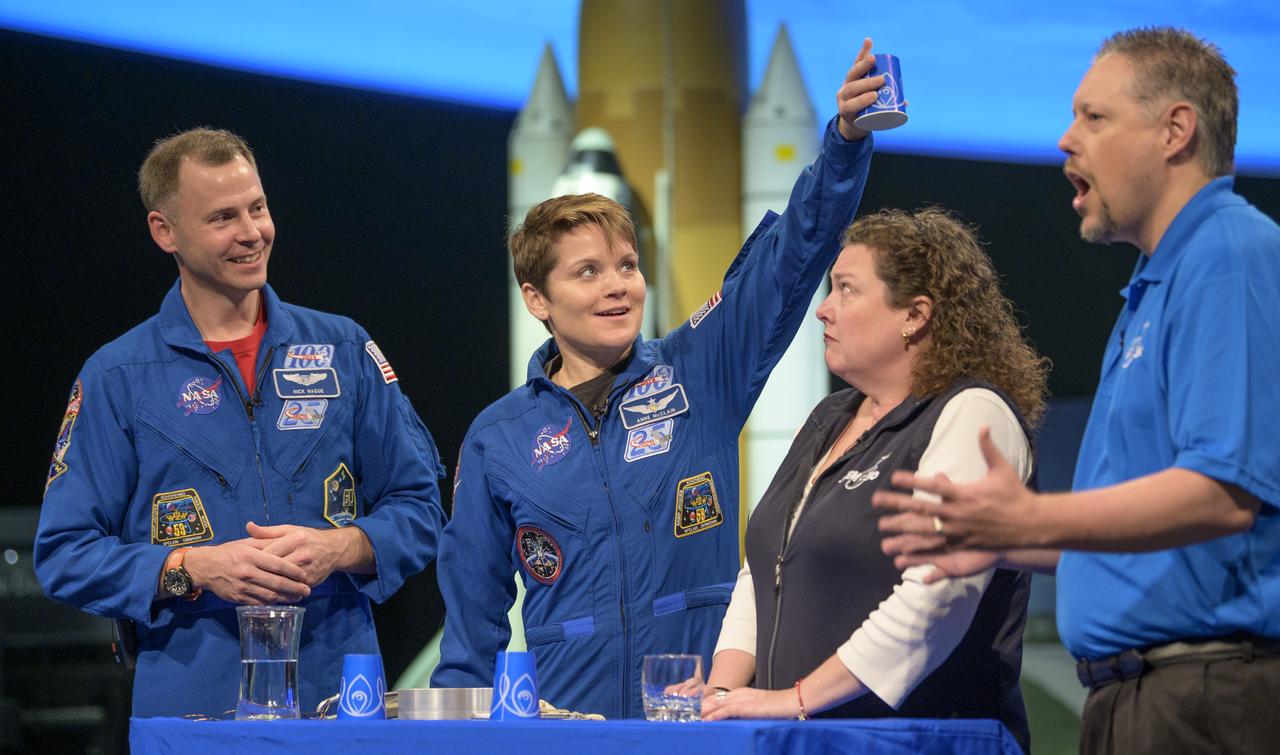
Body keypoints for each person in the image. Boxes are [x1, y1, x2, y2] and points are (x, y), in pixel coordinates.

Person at [430, 40, 884, 719]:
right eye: (588, 272)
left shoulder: (699, 371)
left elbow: (792, 254)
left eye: (626, 265)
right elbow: (471, 637)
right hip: (571, 733)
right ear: (536, 298)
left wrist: (845, 143)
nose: (618, 287)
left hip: (700, 722)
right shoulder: (498, 439)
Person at [873, 27, 1280, 754]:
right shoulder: (1150, 290)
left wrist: (1031, 519)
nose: (1065, 139)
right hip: (1142, 701)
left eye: (1095, 117)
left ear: (1175, 130)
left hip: (1205, 702)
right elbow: (1161, 541)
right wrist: (1012, 543)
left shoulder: (1228, 254)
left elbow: (1222, 495)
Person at [34, 128, 447, 718]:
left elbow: (420, 507)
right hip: (191, 701)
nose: (252, 232)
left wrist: (339, 548)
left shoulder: (344, 348)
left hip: (338, 697)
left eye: (258, 207)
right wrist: (194, 568)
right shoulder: (118, 376)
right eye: (223, 217)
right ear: (164, 231)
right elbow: (64, 554)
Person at [698, 208, 1047, 752]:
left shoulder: (972, 415)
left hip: (923, 739)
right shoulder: (828, 418)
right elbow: (763, 571)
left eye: (846, 290)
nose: (824, 310)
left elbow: (935, 601)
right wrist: (723, 694)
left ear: (914, 314)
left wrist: (795, 699)